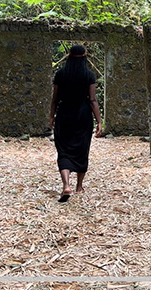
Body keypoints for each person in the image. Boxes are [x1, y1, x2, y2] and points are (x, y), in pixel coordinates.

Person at [49, 44, 103, 202]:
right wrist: (99, 121)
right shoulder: (89, 75)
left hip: (64, 114)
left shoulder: (60, 74)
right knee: (82, 148)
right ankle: (79, 186)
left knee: (64, 150)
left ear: (69, 56)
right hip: (83, 115)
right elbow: (92, 100)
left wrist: (51, 116)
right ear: (84, 57)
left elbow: (55, 99)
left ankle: (66, 185)